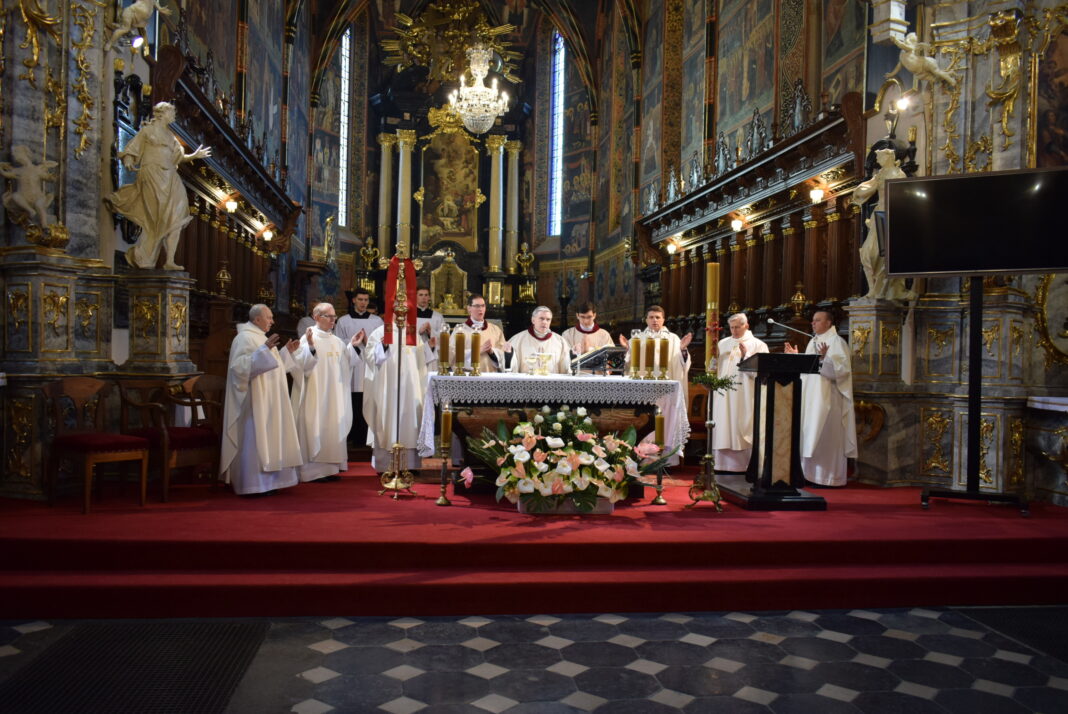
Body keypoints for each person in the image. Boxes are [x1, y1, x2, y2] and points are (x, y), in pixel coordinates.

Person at [106, 102, 211, 270]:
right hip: (152, 174)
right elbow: (134, 147)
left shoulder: (171, 137)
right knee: (156, 218)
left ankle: (169, 260)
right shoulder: (148, 131)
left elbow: (178, 157)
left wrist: (194, 156)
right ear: (163, 113)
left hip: (170, 177)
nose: (174, 116)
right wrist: (128, 158)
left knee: (176, 217)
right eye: (172, 113)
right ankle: (144, 255)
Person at [220, 304, 303, 496]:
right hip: (255, 400)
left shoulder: (262, 338)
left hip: (271, 400)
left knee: (271, 438)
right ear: (257, 319)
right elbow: (238, 368)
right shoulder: (244, 337)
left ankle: (271, 482)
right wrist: (263, 351)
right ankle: (253, 484)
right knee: (255, 438)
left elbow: (275, 367)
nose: (272, 321)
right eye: (269, 317)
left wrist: (286, 353)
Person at [290, 303, 366, 483]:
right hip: (315, 395)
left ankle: (330, 469)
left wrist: (353, 346)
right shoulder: (307, 338)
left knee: (332, 427)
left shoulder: (337, 341)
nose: (333, 320)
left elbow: (347, 363)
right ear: (316, 317)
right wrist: (310, 347)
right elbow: (300, 366)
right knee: (314, 426)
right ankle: (311, 472)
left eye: (334, 317)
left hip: (333, 396)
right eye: (329, 317)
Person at [785, 310, 857, 487]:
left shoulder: (837, 342)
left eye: (817, 320)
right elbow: (809, 370)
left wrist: (825, 358)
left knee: (826, 436)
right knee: (810, 434)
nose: (813, 323)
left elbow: (842, 372)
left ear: (829, 323)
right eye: (813, 321)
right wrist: (796, 359)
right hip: (811, 398)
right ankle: (810, 476)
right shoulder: (813, 341)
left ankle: (828, 478)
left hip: (828, 399)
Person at [362, 318, 436, 472]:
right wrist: (382, 347)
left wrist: (429, 347)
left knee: (410, 422)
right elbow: (370, 358)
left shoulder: (412, 333)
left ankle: (410, 465)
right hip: (388, 390)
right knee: (387, 421)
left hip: (411, 388)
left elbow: (422, 361)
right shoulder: (381, 332)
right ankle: (386, 466)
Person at [851, 148, 916, 301]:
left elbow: (904, 197)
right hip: (879, 215)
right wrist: (858, 192)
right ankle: (873, 289)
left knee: (887, 254)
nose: (878, 161)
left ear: (887, 157)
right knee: (868, 253)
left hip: (892, 215)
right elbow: (867, 187)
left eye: (879, 157)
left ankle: (891, 290)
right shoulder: (880, 174)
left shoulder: (899, 174)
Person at [711, 313, 770, 472]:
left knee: (741, 425)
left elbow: (763, 373)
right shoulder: (723, 343)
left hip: (744, 394)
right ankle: (721, 465)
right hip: (724, 393)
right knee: (723, 424)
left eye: (738, 327)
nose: (734, 330)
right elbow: (717, 369)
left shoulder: (759, 345)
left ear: (747, 326)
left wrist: (746, 356)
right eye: (731, 327)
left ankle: (744, 466)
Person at [334, 288, 382, 448]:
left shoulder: (376, 321)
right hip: (352, 368)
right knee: (353, 402)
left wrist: (368, 342)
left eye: (366, 300)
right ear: (353, 300)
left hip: (369, 367)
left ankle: (367, 438)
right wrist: (353, 341)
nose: (363, 303)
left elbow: (382, 345)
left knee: (368, 400)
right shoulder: (343, 321)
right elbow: (338, 343)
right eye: (360, 299)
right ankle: (352, 438)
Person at [618, 305, 694, 383]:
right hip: (643, 384)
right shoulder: (636, 339)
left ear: (663, 320)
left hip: (666, 384)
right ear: (646, 320)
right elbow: (627, 363)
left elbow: (683, 364)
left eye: (658, 317)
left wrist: (683, 350)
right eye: (651, 317)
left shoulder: (673, 339)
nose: (655, 320)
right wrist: (626, 350)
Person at [507, 306, 571, 374]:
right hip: (527, 383)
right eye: (541, 318)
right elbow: (510, 367)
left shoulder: (560, 342)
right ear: (533, 320)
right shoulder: (518, 340)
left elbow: (566, 367)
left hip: (552, 383)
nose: (545, 322)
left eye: (548, 319)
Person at [452, 294, 508, 373]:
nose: (480, 309)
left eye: (483, 306)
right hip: (468, 377)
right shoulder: (459, 331)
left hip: (490, 377)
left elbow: (503, 356)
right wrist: (477, 351)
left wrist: (492, 352)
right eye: (477, 306)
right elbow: (452, 356)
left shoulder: (495, 330)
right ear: (469, 308)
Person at [415, 285, 446, 371]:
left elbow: (444, 337)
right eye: (420, 295)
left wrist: (430, 332)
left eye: (426, 295)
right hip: (415, 353)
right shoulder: (408, 316)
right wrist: (419, 332)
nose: (424, 298)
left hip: (432, 354)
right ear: (415, 296)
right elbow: (403, 336)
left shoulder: (438, 316)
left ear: (429, 297)